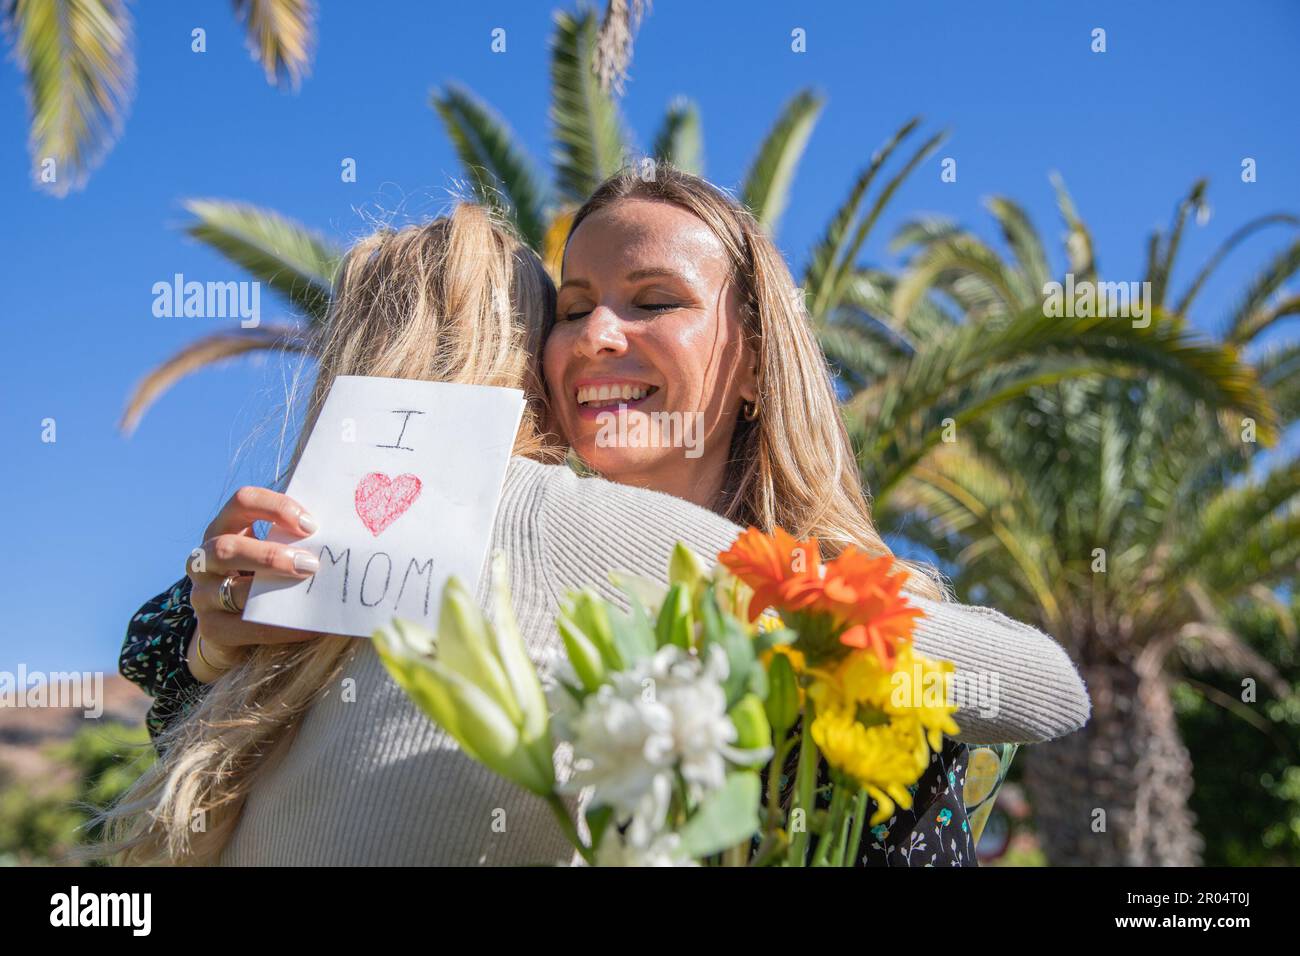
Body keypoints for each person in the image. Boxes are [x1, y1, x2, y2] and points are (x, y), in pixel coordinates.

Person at [113, 175, 1089, 865]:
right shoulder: (466, 523)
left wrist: (776, 611)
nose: (595, 336)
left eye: (652, 299)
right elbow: (166, 658)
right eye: (571, 308)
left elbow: (1038, 693)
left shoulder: (851, 609)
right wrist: (213, 624)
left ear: (754, 360)